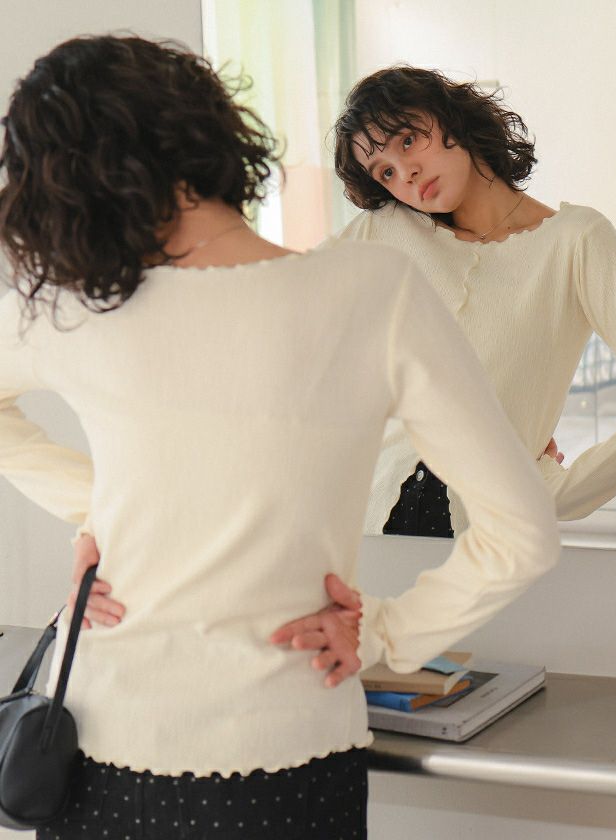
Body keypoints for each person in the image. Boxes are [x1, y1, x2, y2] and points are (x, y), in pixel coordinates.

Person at [0, 37, 559, 840]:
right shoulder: (373, 291)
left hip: (103, 734)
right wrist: (387, 633)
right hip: (287, 751)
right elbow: (525, 533)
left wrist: (105, 512)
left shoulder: (73, 310)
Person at [332, 66, 616, 537]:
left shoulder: (576, 241)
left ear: (450, 117)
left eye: (408, 140)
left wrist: (558, 492)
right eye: (385, 172)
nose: (405, 172)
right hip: (363, 531)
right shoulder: (386, 230)